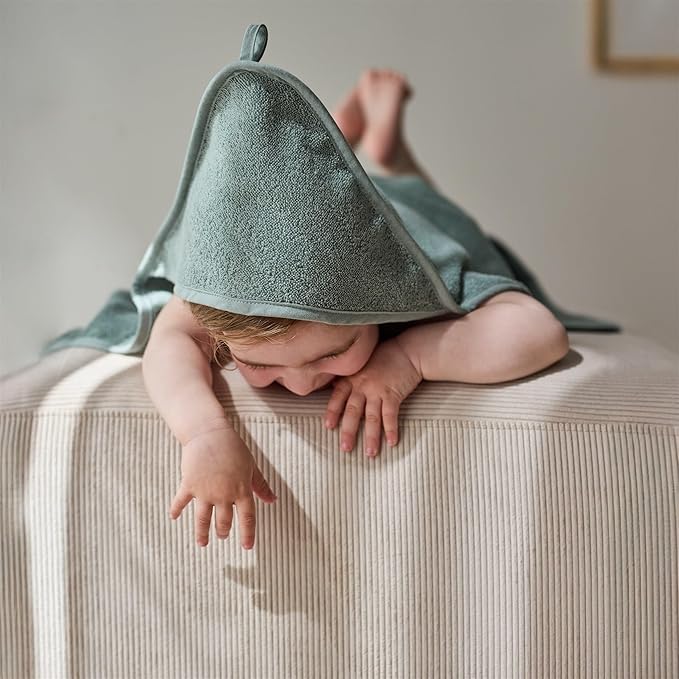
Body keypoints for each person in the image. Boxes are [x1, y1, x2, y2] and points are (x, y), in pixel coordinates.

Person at [141, 69, 569, 551]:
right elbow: (172, 335)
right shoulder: (225, 289)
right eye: (257, 363)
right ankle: (346, 150)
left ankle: (379, 158)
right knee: (309, 184)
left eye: (332, 352)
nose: (302, 385)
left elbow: (541, 332)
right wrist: (202, 431)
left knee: (417, 195)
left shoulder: (393, 278)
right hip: (278, 220)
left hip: (403, 219)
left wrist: (409, 356)